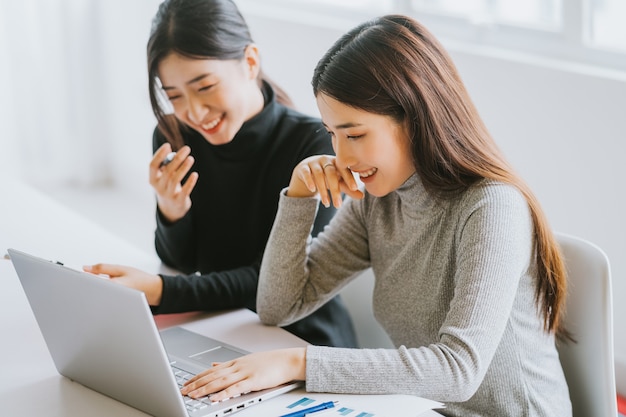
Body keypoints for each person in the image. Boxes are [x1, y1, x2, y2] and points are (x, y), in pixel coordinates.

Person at [177, 14, 573, 417]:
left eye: (355, 135)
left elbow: (458, 370)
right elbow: (279, 307)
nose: (342, 156)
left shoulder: (491, 206)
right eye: (332, 135)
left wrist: (296, 363)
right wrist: (299, 195)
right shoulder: (378, 200)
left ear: (415, 118)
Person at [84, 0, 357, 348]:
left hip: (302, 341)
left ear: (250, 62)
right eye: (174, 96)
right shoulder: (174, 137)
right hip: (217, 329)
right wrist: (171, 210)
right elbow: (178, 261)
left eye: (204, 87)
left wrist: (161, 291)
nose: (193, 112)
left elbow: (276, 283)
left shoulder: (316, 143)